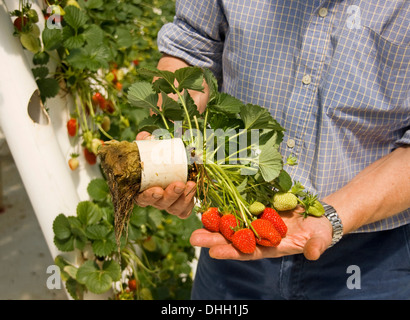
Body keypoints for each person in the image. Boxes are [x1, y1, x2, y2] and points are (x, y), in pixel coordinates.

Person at [135, 0, 410, 299]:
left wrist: (331, 217)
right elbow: (192, 46)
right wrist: (168, 140)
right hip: (235, 232)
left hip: (372, 260)